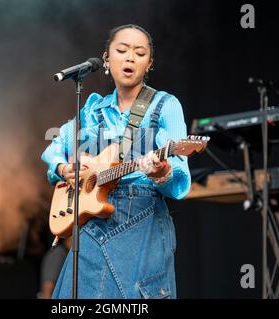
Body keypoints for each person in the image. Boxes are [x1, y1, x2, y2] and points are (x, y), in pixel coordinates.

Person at [41, 24, 190, 299]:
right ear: (107, 59)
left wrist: (162, 172)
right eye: (121, 50)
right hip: (93, 224)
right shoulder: (93, 109)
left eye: (139, 53)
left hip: (142, 224)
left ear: (149, 64)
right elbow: (56, 146)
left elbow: (179, 176)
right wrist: (63, 169)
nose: (130, 57)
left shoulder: (165, 105)